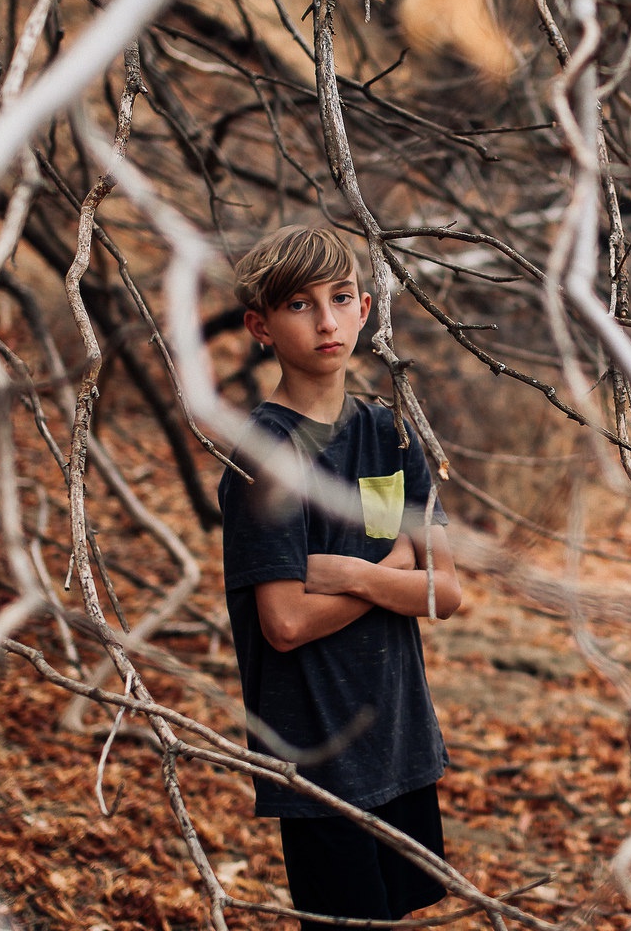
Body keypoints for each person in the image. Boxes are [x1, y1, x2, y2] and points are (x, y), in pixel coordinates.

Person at [211, 224, 464, 931]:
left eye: (341, 297)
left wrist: (353, 573)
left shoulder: (393, 434)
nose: (326, 320)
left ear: (364, 310)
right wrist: (393, 576)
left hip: (400, 740)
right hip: (320, 759)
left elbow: (447, 591)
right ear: (260, 326)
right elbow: (285, 623)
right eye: (299, 304)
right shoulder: (267, 457)